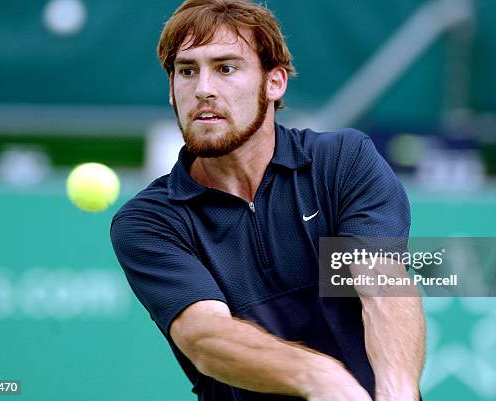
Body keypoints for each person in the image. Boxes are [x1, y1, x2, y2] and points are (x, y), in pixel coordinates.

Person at [110, 0, 425, 400]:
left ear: (274, 83)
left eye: (225, 68)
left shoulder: (342, 161)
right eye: (187, 71)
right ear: (172, 92)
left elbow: (381, 282)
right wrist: (324, 379)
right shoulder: (149, 221)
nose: (203, 89)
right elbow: (206, 336)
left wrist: (397, 391)